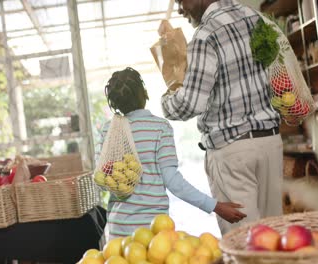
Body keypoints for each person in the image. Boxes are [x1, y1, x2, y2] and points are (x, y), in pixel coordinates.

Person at [161, 0, 284, 235]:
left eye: (180, 1)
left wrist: (167, 100)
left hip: (233, 152)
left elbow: (190, 103)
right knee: (273, 238)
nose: (179, 9)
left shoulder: (206, 35)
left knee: (244, 244)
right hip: (270, 142)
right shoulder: (256, 18)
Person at [95, 67, 246, 239]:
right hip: (154, 231)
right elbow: (173, 181)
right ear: (144, 93)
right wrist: (215, 206)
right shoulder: (160, 128)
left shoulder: (109, 130)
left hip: (119, 230)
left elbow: (101, 180)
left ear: (115, 103)